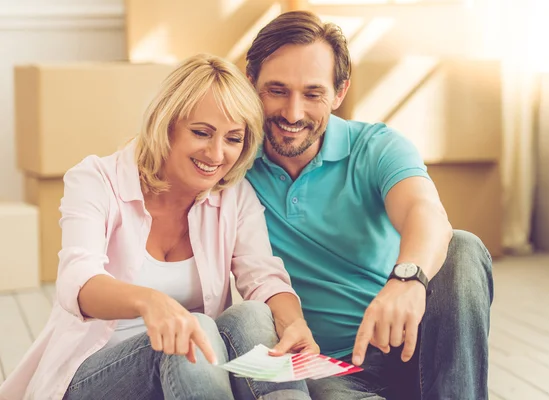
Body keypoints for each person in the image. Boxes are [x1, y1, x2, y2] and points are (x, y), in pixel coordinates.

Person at [0, 54, 317, 400]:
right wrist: (149, 302)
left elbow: (263, 275)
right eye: (201, 133)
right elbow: (77, 280)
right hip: (94, 377)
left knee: (254, 315)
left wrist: (293, 323)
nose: (216, 154)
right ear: (167, 126)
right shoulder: (97, 179)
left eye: (233, 138)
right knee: (193, 330)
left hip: (192, 377)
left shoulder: (234, 196)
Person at [244, 10, 494, 400]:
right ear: (251, 84)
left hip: (413, 348)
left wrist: (406, 279)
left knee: (462, 248)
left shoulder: (376, 146)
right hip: (326, 370)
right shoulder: (230, 162)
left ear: (339, 93)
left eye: (313, 94)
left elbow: (425, 213)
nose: (293, 113)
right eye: (277, 91)